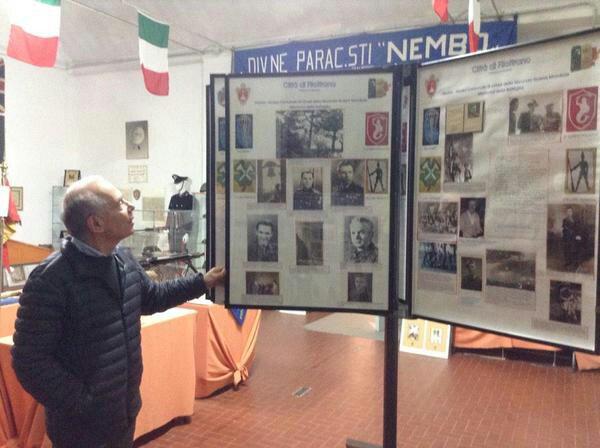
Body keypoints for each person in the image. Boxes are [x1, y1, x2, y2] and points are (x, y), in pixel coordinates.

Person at [11, 176, 226, 448]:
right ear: (96, 223)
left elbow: (151, 297)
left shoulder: (122, 258)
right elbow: (29, 362)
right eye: (120, 203)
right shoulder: (50, 280)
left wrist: (202, 282)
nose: (130, 207)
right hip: (80, 429)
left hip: (123, 414)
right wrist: (84, 403)